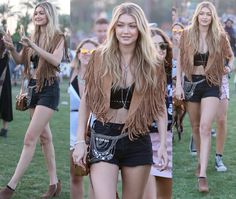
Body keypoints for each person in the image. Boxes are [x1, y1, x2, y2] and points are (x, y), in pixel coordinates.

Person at [73, 2, 168, 199]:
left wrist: (163, 147)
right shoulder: (100, 57)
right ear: (113, 27)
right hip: (103, 137)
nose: (126, 31)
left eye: (132, 25)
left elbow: (159, 107)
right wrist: (81, 140)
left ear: (140, 29)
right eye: (121, 25)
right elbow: (87, 101)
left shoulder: (153, 63)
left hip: (136, 137)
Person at [0, 2, 68, 198]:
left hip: (49, 89)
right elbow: (21, 61)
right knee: (44, 138)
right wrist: (13, 49)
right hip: (33, 89)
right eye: (35, 13)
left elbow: (55, 61)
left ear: (49, 14)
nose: (37, 15)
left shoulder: (58, 37)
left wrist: (33, 45)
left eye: (41, 12)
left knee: (30, 138)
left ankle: (10, 187)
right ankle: (54, 184)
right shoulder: (32, 37)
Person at [175, 1, 234, 193]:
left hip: (211, 83)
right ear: (197, 15)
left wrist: (228, 67)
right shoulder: (186, 34)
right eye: (202, 13)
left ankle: (203, 176)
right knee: (195, 126)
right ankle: (201, 162)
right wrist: (178, 86)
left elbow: (231, 57)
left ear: (213, 16)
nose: (205, 17)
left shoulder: (219, 35)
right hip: (191, 84)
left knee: (205, 127)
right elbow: (181, 61)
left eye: (209, 14)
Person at [143, 27, 173, 199]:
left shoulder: (171, 74)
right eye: (153, 46)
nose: (159, 50)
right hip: (144, 140)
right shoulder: (139, 73)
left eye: (162, 46)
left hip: (166, 140)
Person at [69, 39, 98, 199]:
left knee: (96, 179)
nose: (87, 55)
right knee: (76, 175)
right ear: (79, 54)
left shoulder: (102, 76)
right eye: (84, 51)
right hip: (73, 132)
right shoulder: (70, 74)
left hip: (96, 131)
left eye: (92, 52)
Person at [0, 28, 13, 138]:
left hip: (3, 73)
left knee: (5, 100)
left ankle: (4, 129)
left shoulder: (4, 41)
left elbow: (5, 59)